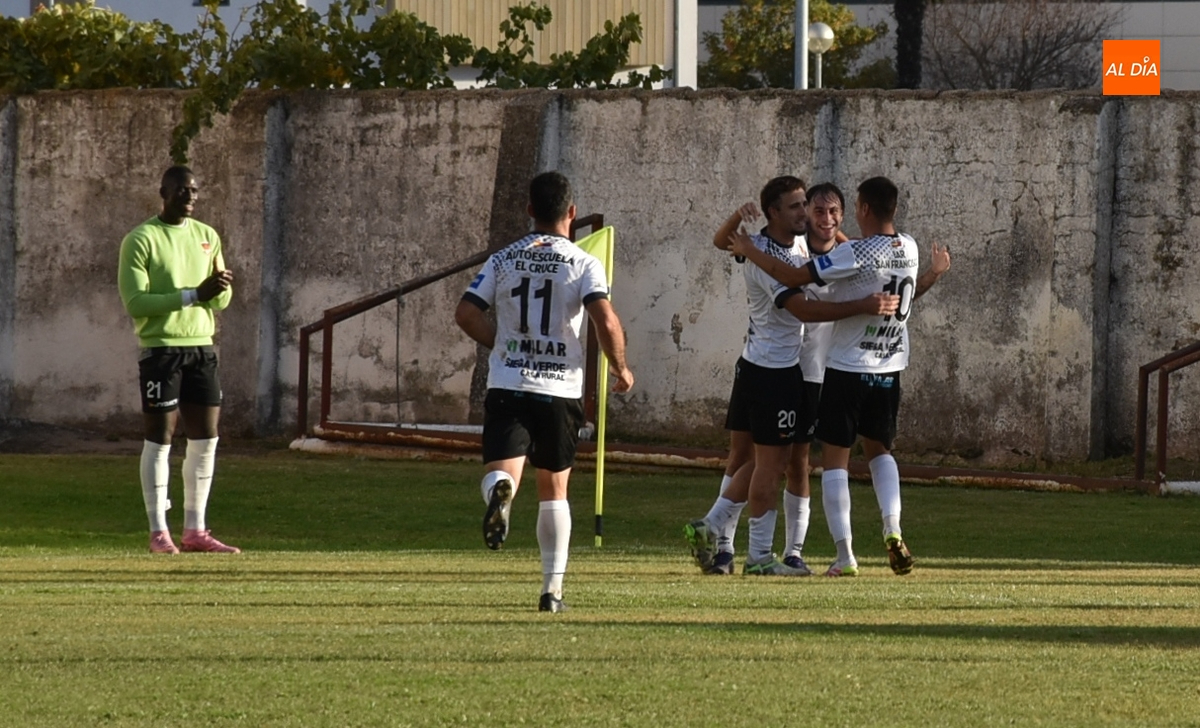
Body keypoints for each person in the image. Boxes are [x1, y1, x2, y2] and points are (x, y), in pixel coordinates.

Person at [732, 176, 945, 577]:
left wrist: (749, 250)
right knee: (881, 453)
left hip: (848, 367)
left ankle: (845, 556)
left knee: (834, 463)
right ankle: (893, 528)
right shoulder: (910, 247)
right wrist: (934, 274)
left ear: (860, 209)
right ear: (894, 208)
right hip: (890, 367)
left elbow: (793, 278)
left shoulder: (856, 252)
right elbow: (904, 292)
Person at [687, 176, 899, 576]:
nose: (812, 215)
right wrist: (863, 305)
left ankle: (743, 540)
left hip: (775, 367)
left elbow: (851, 251)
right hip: (775, 370)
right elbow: (801, 305)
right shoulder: (762, 255)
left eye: (822, 209)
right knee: (764, 461)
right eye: (801, 207)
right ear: (774, 213)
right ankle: (742, 549)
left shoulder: (803, 244)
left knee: (782, 460)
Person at [455, 171, 634, 612]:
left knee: (503, 473)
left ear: (529, 210)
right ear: (571, 212)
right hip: (559, 388)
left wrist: (503, 343)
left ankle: (500, 492)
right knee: (554, 490)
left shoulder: (502, 259)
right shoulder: (582, 262)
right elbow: (606, 320)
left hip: (509, 381)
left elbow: (466, 313)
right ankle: (552, 592)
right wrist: (620, 367)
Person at [117, 165, 239, 555]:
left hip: (201, 347)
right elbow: (136, 302)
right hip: (162, 350)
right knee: (160, 439)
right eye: (182, 190)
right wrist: (193, 294)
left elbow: (219, 300)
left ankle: (195, 530)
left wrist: (220, 289)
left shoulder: (207, 236)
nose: (190, 197)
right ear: (163, 192)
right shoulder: (141, 239)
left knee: (206, 438)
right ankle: (158, 532)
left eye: (195, 191)